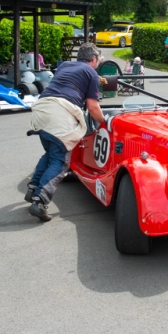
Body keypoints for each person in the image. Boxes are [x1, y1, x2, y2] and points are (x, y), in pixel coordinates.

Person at [26, 43, 105, 221]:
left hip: (41, 109)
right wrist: (105, 122)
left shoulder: (65, 65)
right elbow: (92, 107)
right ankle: (40, 200)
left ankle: (32, 189)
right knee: (60, 160)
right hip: (60, 112)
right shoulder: (91, 72)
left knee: (51, 153)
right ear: (93, 59)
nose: (98, 64)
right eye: (98, 60)